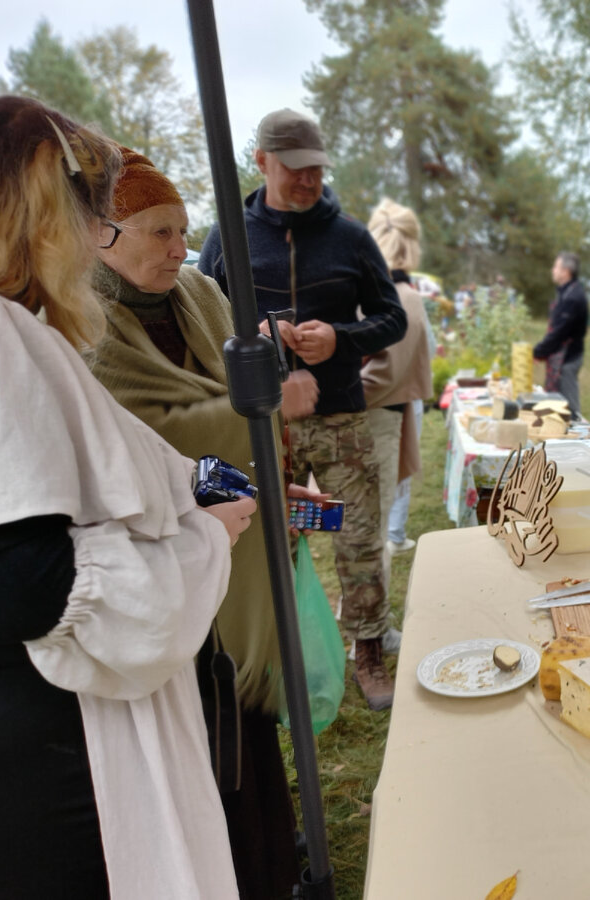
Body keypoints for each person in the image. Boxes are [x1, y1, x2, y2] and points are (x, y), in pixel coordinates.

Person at [0, 96, 254, 898]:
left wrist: (205, 486)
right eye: (87, 216)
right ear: (42, 213)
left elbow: (91, 474)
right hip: (47, 761)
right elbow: (13, 581)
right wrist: (201, 541)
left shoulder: (3, 328)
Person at [88, 147, 315, 897]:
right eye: (157, 231)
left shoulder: (202, 295)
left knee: (249, 719)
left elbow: (239, 397)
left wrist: (277, 478)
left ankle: (273, 865)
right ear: (102, 235)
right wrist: (254, 412)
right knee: (199, 731)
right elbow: (140, 435)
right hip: (159, 559)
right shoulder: (81, 325)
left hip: (238, 539)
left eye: (182, 228)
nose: (180, 247)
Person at [198, 107, 406, 711]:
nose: (308, 181)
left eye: (316, 169)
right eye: (294, 170)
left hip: (339, 417)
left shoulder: (350, 237)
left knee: (355, 535)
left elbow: (391, 317)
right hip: (265, 427)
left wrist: (342, 337)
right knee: (275, 539)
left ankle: (367, 652)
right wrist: (256, 336)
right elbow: (202, 320)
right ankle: (281, 659)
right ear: (261, 162)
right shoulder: (230, 236)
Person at [363, 199, 434, 574]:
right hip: (377, 422)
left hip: (369, 416)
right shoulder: (402, 296)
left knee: (368, 527)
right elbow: (385, 375)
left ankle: (367, 623)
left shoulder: (371, 286)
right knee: (371, 531)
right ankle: (371, 628)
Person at [533, 251, 589, 419]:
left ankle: (575, 440)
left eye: (556, 267)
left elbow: (559, 332)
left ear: (566, 271)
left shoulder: (573, 297)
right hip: (563, 356)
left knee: (568, 407)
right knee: (558, 405)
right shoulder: (566, 292)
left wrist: (538, 351)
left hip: (568, 359)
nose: (553, 270)